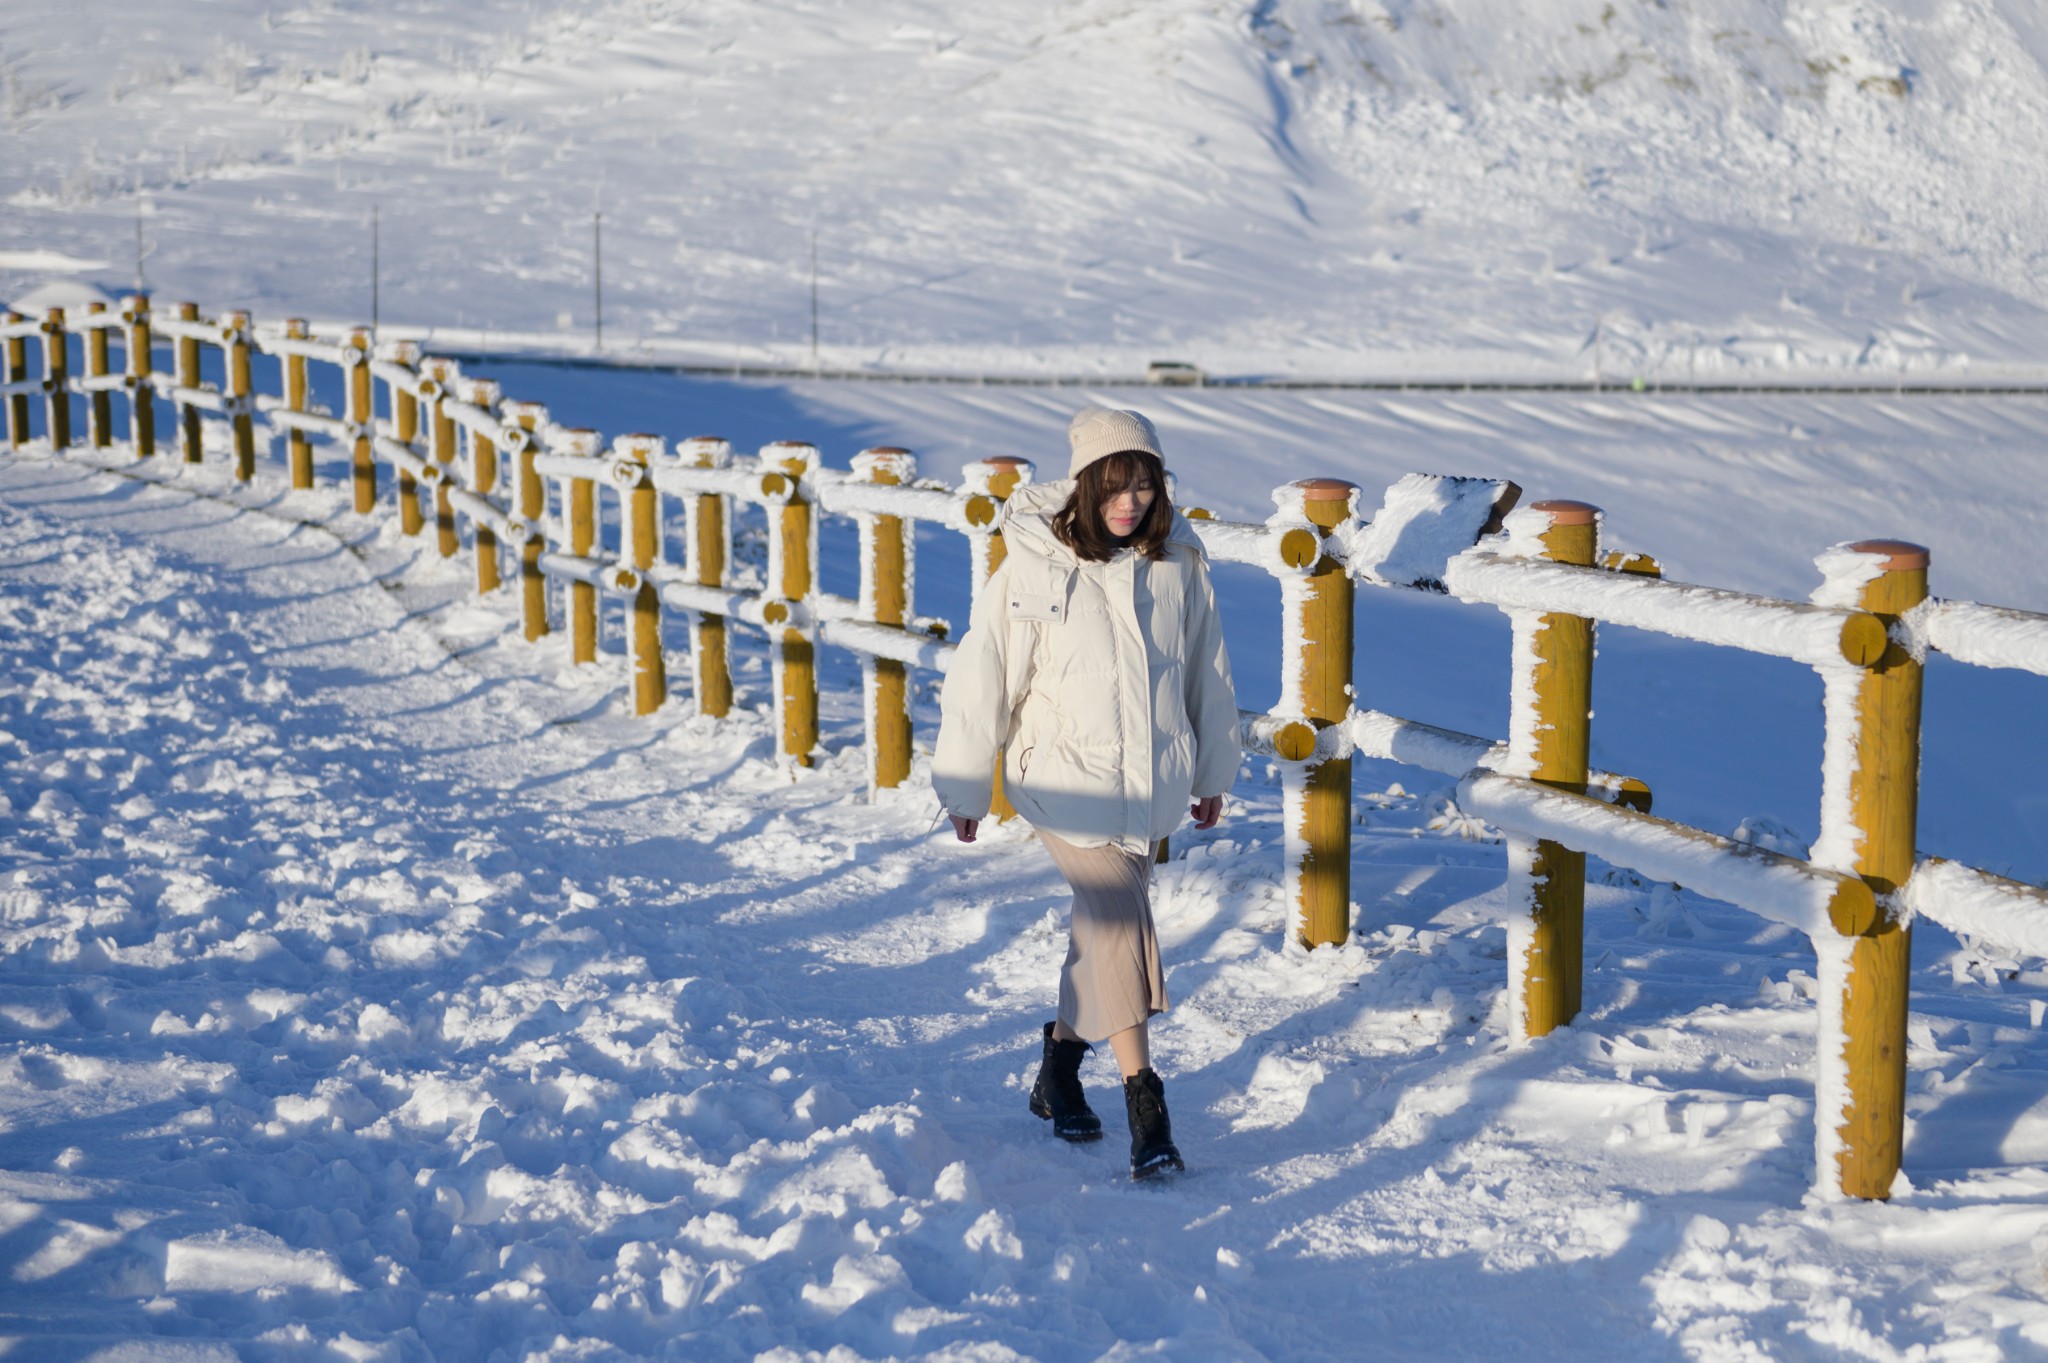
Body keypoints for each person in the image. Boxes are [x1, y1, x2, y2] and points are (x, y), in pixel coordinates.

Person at [933, 407, 1239, 1179]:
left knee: (1104, 930)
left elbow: (1206, 672)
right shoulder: (1034, 565)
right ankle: (1147, 1105)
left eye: (1143, 484)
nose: (1129, 502)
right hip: (1062, 781)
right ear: (1084, 486)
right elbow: (985, 678)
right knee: (1119, 917)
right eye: (1113, 485)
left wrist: (1212, 773)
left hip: (1146, 786)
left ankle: (1060, 1068)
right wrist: (967, 783)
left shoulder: (1179, 565)